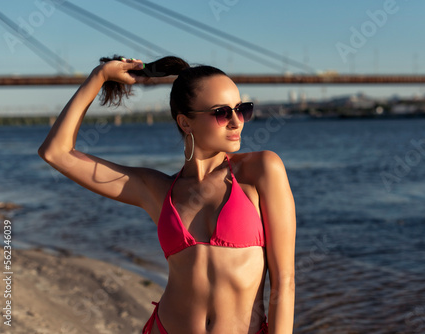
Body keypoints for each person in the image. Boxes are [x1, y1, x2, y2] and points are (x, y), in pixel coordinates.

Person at [38, 56, 296, 334]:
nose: (236, 122)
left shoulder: (261, 170)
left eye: (241, 109)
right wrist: (99, 77)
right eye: (222, 113)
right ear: (186, 123)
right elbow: (56, 152)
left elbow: (284, 280)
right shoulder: (156, 190)